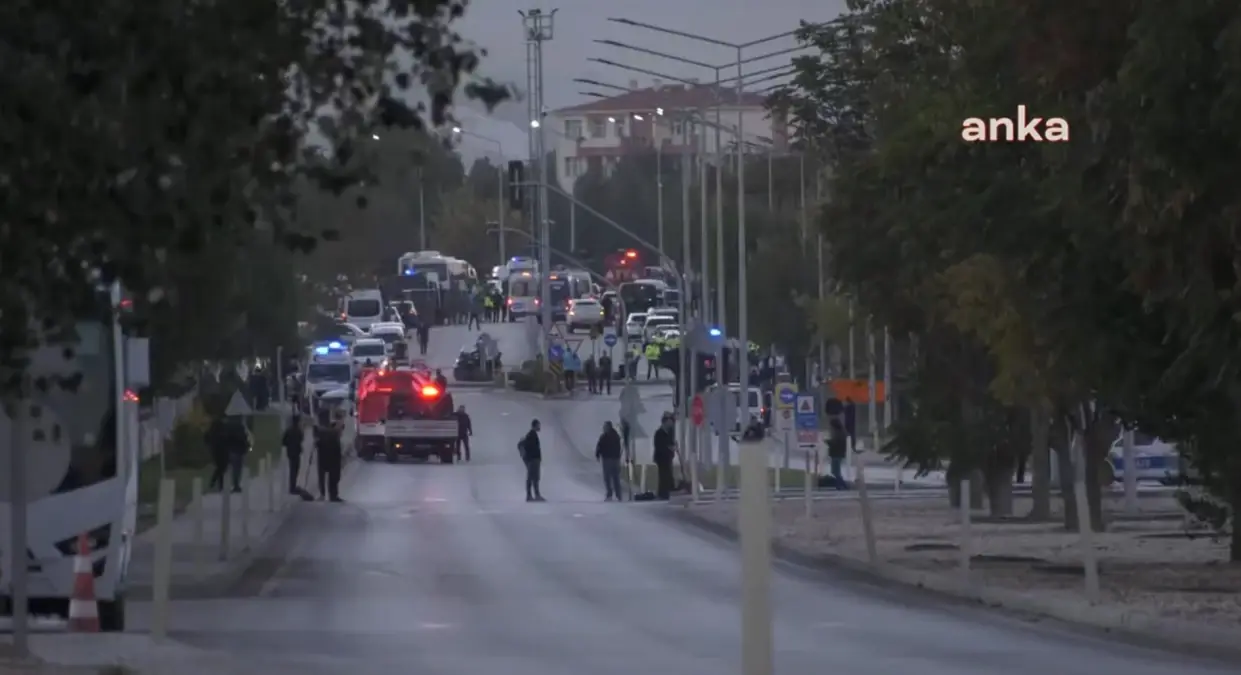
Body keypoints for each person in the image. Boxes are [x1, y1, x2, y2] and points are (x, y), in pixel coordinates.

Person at [205, 413, 248, 493]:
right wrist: (245, 448)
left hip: (224, 450)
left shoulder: (222, 427)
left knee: (222, 468)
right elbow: (243, 439)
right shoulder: (237, 427)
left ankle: (219, 485)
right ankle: (232, 485)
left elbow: (209, 438)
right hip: (232, 450)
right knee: (232, 469)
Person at [314, 410, 345, 501]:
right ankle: (333, 495)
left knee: (322, 477)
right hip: (333, 459)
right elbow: (336, 448)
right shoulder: (334, 434)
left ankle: (323, 494)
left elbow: (317, 444)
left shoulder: (322, 432)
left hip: (323, 457)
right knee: (333, 477)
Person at [595, 420, 623, 500]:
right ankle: (617, 495)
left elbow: (599, 446)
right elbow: (599, 446)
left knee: (609, 478)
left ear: (609, 427)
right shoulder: (615, 436)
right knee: (615, 478)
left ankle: (611, 494)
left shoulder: (605, 437)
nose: (604, 428)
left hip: (608, 459)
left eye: (605, 427)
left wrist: (598, 454)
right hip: (614, 459)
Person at [518, 419, 544, 502]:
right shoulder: (531, 435)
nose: (539, 427)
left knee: (534, 478)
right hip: (533, 460)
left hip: (533, 459)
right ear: (535, 425)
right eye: (538, 425)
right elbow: (528, 446)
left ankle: (533, 495)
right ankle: (533, 495)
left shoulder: (532, 435)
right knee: (532, 478)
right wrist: (530, 457)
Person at [652, 413, 677, 499]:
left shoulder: (669, 433)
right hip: (661, 458)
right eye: (670, 421)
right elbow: (658, 445)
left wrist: (672, 448)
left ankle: (668, 491)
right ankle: (662, 493)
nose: (671, 423)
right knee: (663, 475)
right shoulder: (659, 433)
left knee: (668, 475)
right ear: (665, 422)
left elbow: (671, 443)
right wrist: (668, 448)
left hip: (668, 457)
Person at [281, 414, 305, 495]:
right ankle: (292, 487)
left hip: (290, 452)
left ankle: (292, 486)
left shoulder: (288, 430)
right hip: (297, 452)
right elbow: (301, 439)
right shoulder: (299, 431)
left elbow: (283, 442)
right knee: (295, 469)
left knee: (292, 469)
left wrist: (289, 444)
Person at [827, 417, 848, 489]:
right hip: (838, 453)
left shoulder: (838, 434)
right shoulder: (841, 433)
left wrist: (828, 442)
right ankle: (841, 484)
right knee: (836, 471)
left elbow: (835, 443)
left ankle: (841, 484)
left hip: (836, 454)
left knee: (835, 471)